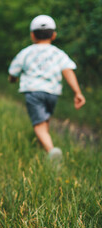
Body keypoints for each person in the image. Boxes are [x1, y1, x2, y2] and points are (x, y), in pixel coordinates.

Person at [8, 15, 86, 160]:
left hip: (33, 92)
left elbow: (13, 72)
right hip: (52, 93)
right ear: (54, 35)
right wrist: (78, 92)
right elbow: (68, 71)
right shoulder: (58, 53)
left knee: (38, 125)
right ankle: (43, 149)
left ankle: (51, 151)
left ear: (32, 35)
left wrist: (12, 79)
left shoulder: (25, 53)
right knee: (45, 121)